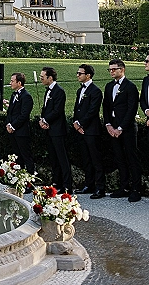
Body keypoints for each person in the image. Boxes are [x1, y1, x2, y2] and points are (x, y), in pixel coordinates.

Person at [102, 60, 141, 202]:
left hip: (127, 128)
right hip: (112, 128)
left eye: (114, 69)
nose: (111, 72)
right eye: (110, 70)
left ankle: (136, 189)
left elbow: (132, 110)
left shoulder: (130, 87)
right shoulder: (108, 86)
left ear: (122, 69)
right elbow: (106, 106)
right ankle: (124, 187)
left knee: (132, 158)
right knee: (119, 158)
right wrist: (108, 125)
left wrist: (120, 128)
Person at [72, 64, 105, 199]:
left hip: (91, 130)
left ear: (88, 75)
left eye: (80, 73)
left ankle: (100, 188)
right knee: (86, 159)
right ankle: (88, 184)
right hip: (80, 130)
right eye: (78, 73)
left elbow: (92, 111)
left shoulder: (95, 91)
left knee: (96, 159)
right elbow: (77, 108)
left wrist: (81, 124)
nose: (78, 75)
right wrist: (75, 122)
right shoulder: (80, 91)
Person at [39, 67, 72, 194]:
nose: (41, 78)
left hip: (58, 130)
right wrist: (42, 120)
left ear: (50, 78)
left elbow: (57, 111)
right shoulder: (48, 91)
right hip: (49, 129)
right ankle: (56, 183)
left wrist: (46, 120)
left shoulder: (59, 91)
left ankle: (67, 186)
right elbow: (45, 108)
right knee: (53, 158)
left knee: (62, 158)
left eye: (43, 77)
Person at [5, 72, 34, 173]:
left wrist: (13, 126)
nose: (10, 83)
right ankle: (19, 178)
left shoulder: (26, 96)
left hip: (21, 132)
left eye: (12, 81)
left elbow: (24, 115)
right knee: (17, 157)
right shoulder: (13, 95)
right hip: (13, 132)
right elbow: (10, 112)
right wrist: (8, 124)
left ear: (19, 83)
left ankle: (30, 181)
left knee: (26, 156)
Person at [139, 53, 149, 127]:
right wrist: (146, 110)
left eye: (147, 61)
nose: (144, 63)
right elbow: (142, 99)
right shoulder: (146, 80)